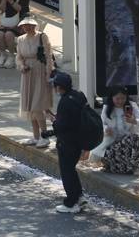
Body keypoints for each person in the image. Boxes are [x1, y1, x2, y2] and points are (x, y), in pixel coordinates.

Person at [50, 71, 89, 214]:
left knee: (67, 172)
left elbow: (61, 126)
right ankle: (79, 197)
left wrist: (54, 121)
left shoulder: (64, 102)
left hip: (67, 142)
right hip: (79, 140)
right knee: (71, 170)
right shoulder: (79, 95)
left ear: (59, 87)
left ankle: (71, 203)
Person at [16, 16, 54, 147]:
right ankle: (36, 136)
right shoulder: (20, 39)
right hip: (27, 73)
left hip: (40, 72)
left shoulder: (42, 37)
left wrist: (49, 74)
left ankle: (45, 136)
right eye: (25, 25)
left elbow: (48, 56)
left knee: (37, 106)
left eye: (29, 25)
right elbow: (19, 57)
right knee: (30, 107)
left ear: (34, 25)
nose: (27, 27)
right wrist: (22, 66)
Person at [92, 87, 139, 174]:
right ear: (112, 98)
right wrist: (106, 129)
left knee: (133, 138)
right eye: (117, 99)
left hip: (128, 141)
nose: (120, 101)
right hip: (112, 142)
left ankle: (132, 166)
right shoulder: (107, 108)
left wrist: (134, 121)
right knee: (114, 159)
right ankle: (117, 166)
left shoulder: (132, 106)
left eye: (123, 98)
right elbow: (101, 124)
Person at [0, 0, 31, 68]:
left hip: (21, 23)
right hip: (7, 23)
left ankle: (12, 56)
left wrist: (11, 1)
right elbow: (2, 9)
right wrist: (4, 0)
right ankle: (3, 55)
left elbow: (22, 10)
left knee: (9, 35)